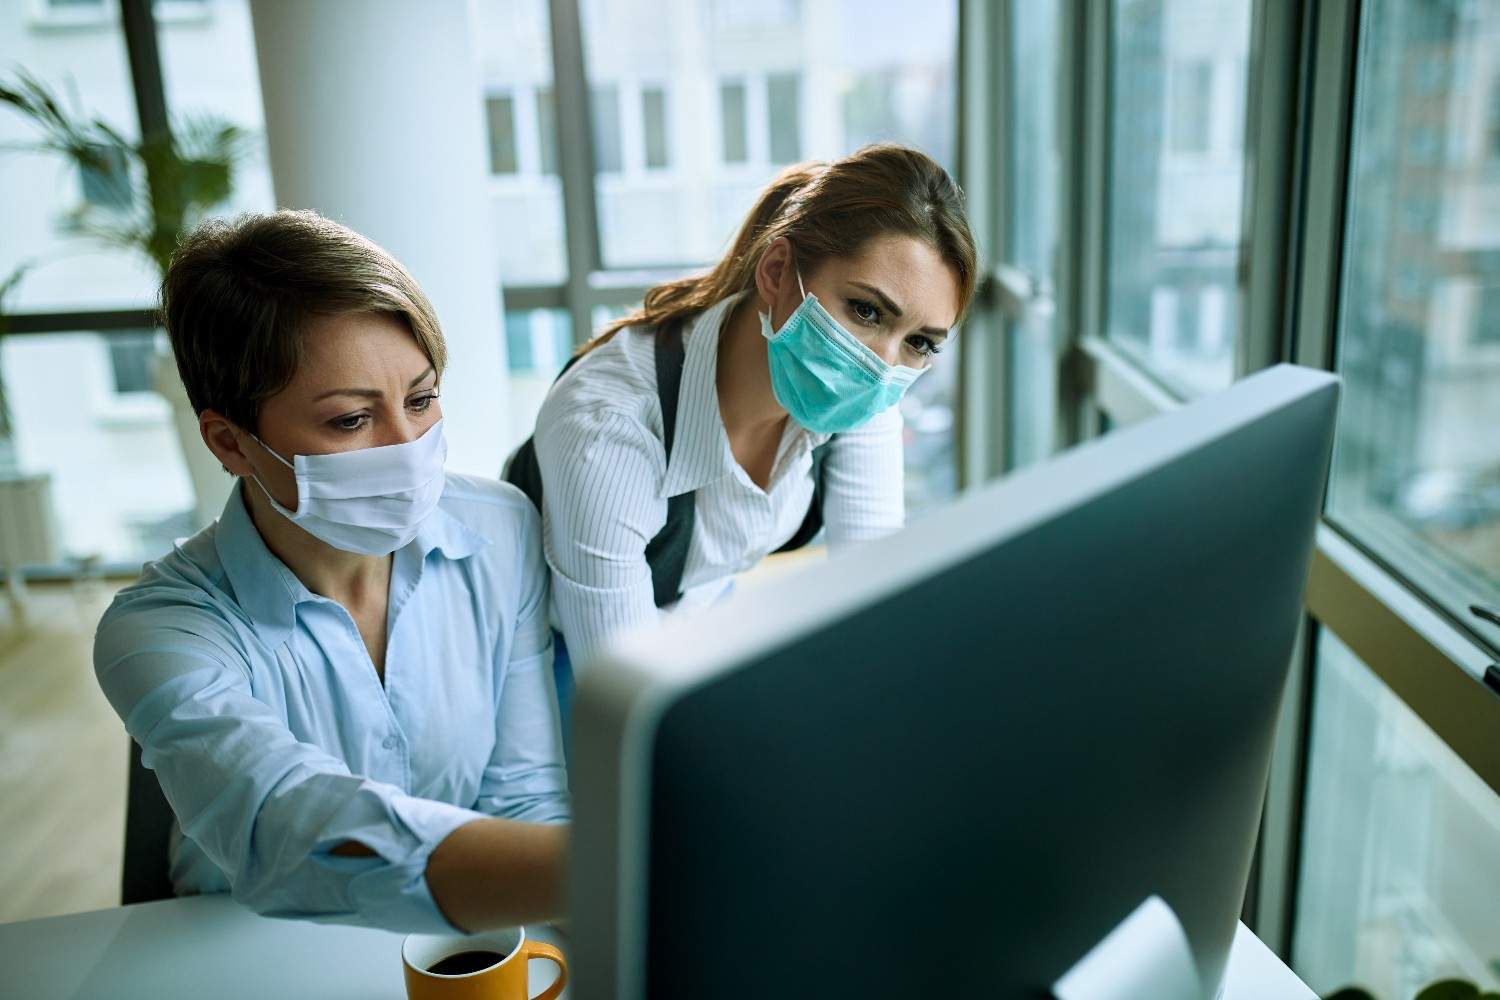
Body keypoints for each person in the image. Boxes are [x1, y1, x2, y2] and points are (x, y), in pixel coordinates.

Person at [94, 211, 567, 934]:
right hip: (244, 956)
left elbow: (524, 794)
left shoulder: (499, 530)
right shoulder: (159, 628)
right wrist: (620, 869)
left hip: (457, 939)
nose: (408, 447)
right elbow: (290, 826)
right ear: (231, 443)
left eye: (421, 398)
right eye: (351, 420)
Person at [506, 143, 978, 715]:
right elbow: (623, 705)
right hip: (552, 647)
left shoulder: (861, 394)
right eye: (866, 310)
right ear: (778, 272)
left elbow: (869, 600)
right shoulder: (608, 425)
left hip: (699, 612)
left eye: (920, 342)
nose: (880, 362)